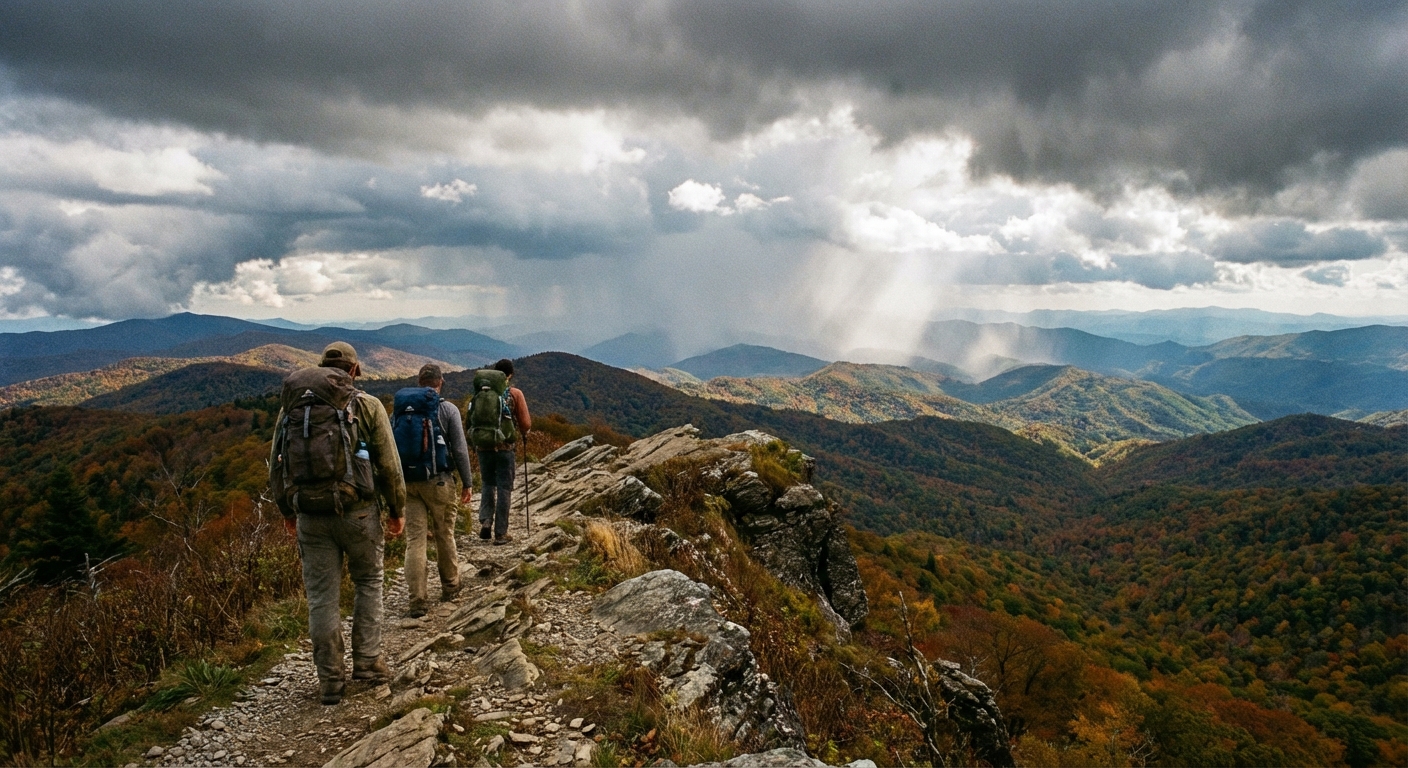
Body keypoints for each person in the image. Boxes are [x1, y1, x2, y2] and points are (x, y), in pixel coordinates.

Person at [268, 342, 405, 706]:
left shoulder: (291, 410)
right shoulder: (367, 405)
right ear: (354, 370)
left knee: (321, 597)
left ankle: (330, 681)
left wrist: (286, 511)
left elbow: (276, 467)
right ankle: (368, 663)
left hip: (310, 517)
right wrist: (396, 509)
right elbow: (389, 465)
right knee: (369, 582)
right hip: (359, 510)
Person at [399, 363, 475, 618]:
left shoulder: (400, 410)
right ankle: (451, 586)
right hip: (440, 482)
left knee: (415, 540)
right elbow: (460, 449)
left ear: (419, 383)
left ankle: (417, 600)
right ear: (440, 382)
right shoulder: (448, 409)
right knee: (444, 534)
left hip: (408, 483)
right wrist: (468, 482)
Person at [474, 358, 531, 544]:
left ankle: (486, 521)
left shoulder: (482, 393)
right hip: (505, 447)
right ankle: (500, 533)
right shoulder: (514, 393)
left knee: (487, 483)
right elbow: (525, 423)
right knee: (504, 487)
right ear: (510, 375)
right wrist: (524, 434)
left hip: (483, 446)